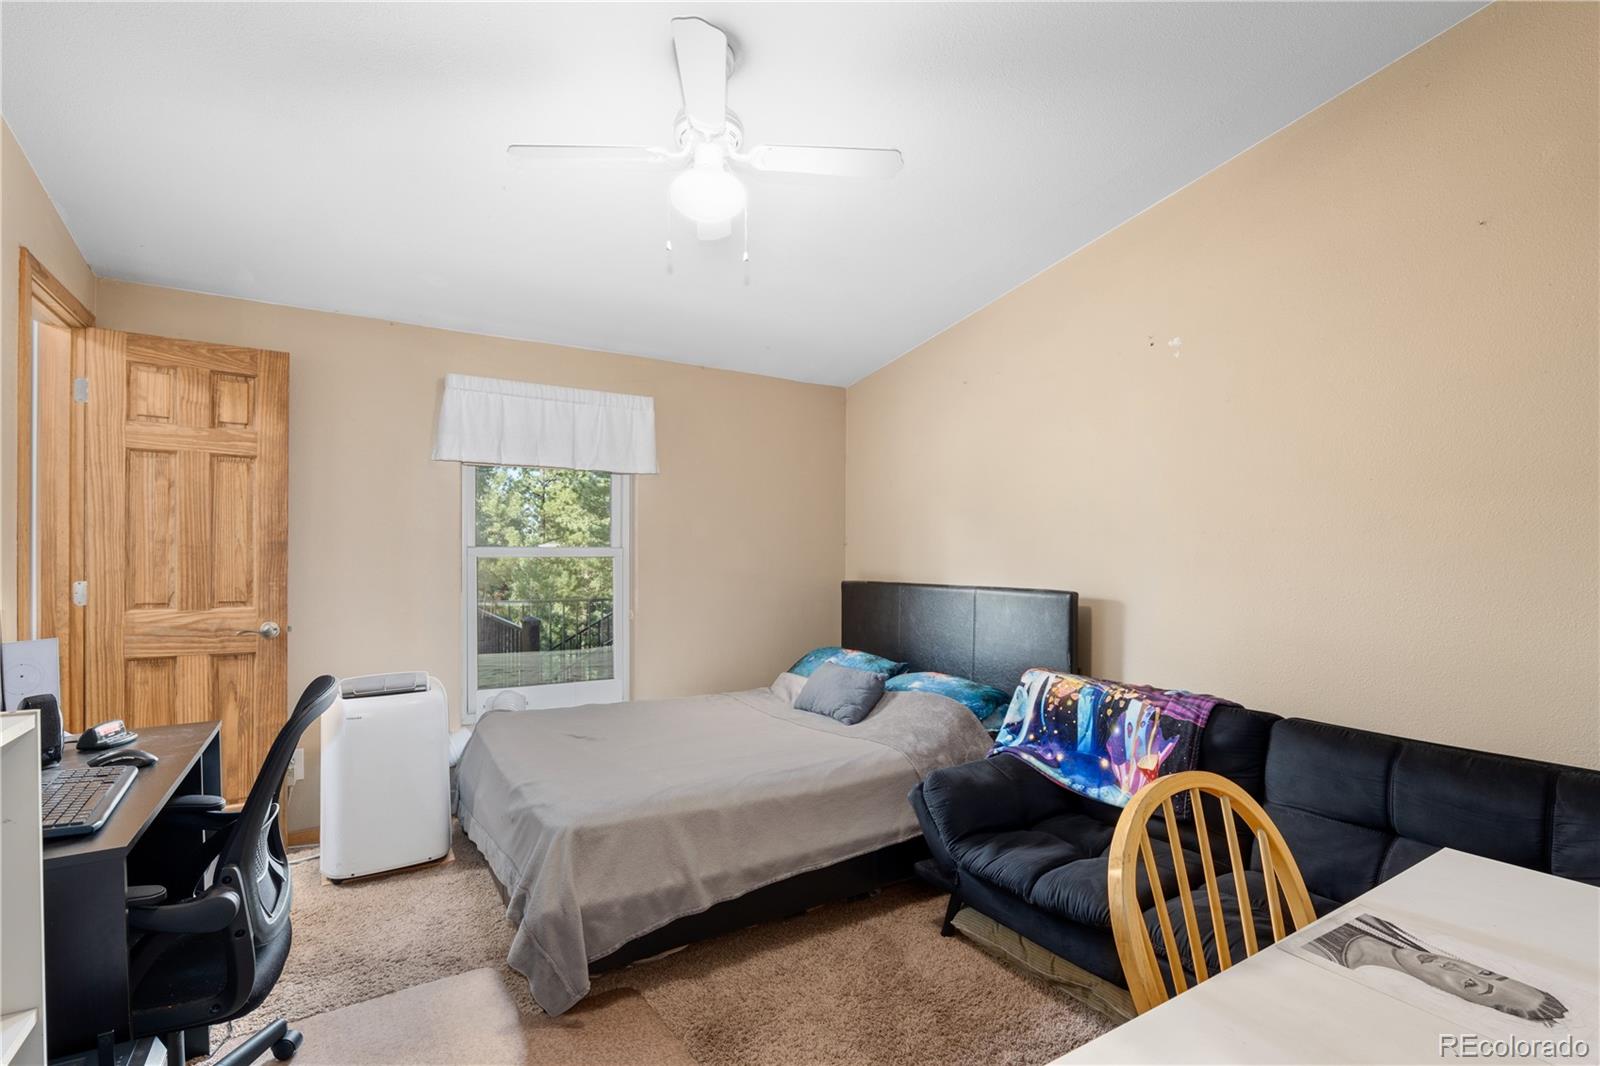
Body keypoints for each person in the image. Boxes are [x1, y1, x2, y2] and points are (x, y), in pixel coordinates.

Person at [1305, 913, 1567, 1025]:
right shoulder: (1388, 927)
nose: (1454, 966)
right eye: (1484, 972)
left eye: (1469, 985)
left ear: (1460, 999)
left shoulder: (1326, 959)